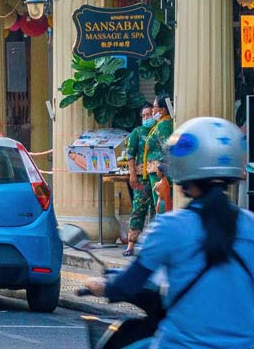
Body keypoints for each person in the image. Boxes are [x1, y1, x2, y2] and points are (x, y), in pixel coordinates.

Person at [85, 117, 254, 348]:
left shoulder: (169, 227)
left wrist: (99, 285)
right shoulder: (250, 225)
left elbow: (128, 284)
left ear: (182, 165)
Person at [125, 102, 156, 256]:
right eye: (143, 115)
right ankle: (131, 244)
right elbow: (130, 154)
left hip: (156, 175)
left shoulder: (159, 130)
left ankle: (152, 244)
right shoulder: (137, 132)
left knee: (156, 209)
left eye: (149, 114)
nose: (146, 118)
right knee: (138, 208)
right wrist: (132, 174)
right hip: (141, 177)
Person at [143, 95, 173, 215]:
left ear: (162, 110)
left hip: (159, 170)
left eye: (154, 106)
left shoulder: (164, 124)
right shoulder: (162, 122)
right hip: (156, 169)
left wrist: (162, 167)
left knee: (161, 202)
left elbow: (167, 148)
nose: (152, 110)